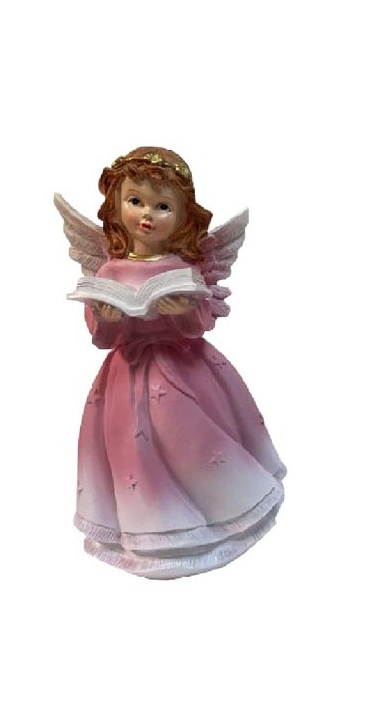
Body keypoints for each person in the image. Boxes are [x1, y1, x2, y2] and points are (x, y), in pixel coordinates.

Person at [55, 146, 286, 578]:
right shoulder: (110, 271)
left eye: (162, 206)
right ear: (116, 205)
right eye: (135, 200)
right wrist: (107, 317)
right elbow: (102, 338)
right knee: (132, 452)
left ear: (182, 217)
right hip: (126, 377)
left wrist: (181, 310)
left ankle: (216, 513)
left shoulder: (182, 266)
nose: (147, 214)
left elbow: (199, 325)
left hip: (183, 370)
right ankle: (152, 528)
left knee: (193, 441)